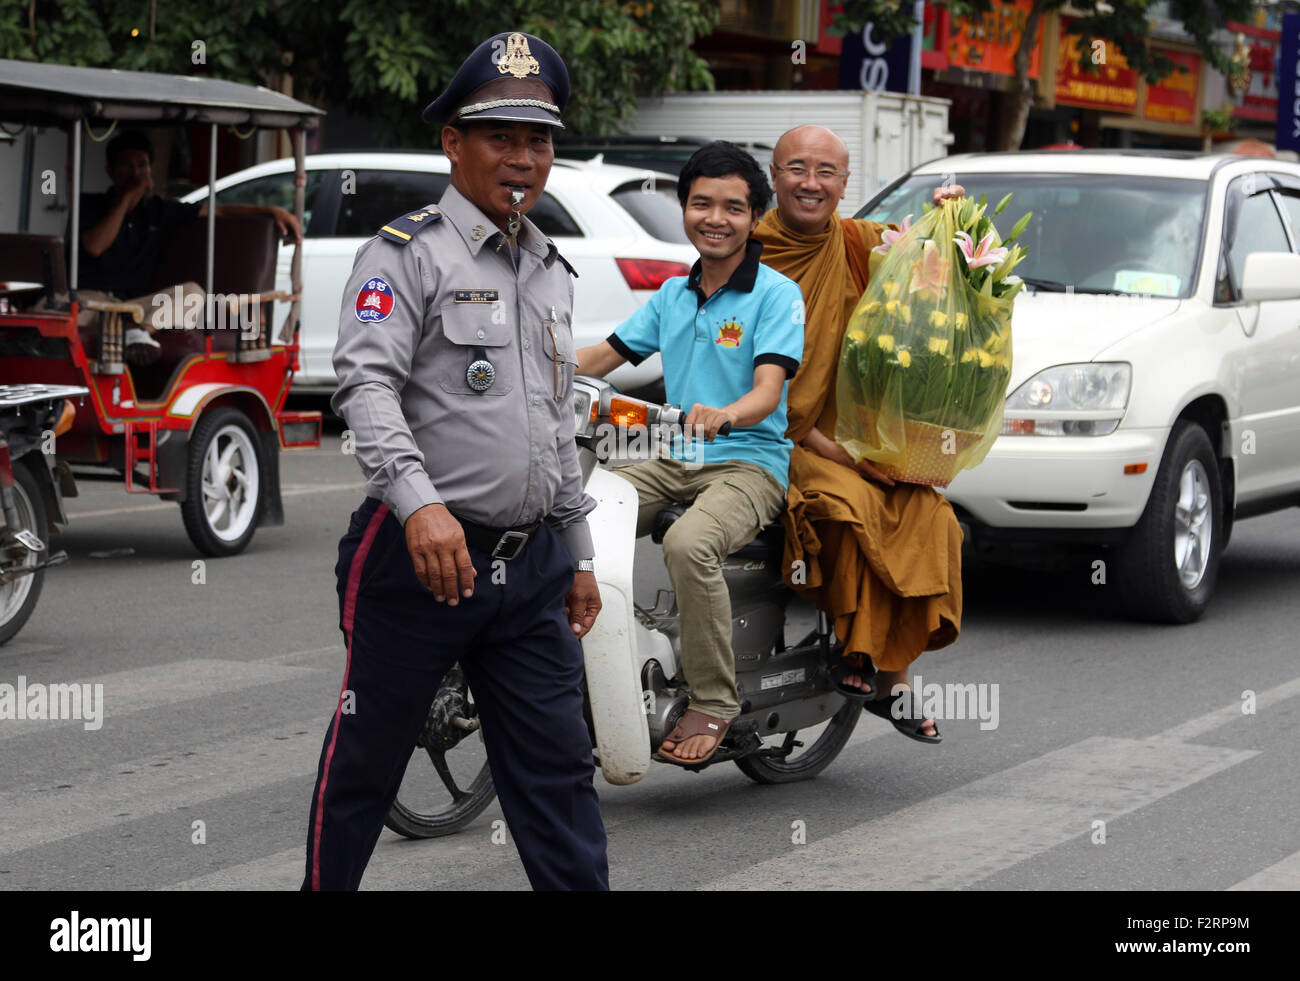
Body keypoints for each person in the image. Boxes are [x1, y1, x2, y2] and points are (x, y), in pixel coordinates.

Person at [302, 30, 608, 890]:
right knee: (365, 762)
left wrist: (577, 551)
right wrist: (419, 503)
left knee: (558, 776)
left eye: (538, 140)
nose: (524, 158)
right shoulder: (406, 252)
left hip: (532, 568)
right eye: (501, 138)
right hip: (419, 558)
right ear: (454, 144)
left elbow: (555, 422)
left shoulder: (550, 268)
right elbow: (365, 387)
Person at [576, 142, 804, 765]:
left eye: (733, 207)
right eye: (702, 203)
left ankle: (713, 699)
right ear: (684, 209)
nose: (716, 218)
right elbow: (604, 357)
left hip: (749, 461)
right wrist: (536, 375)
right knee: (576, 521)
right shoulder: (675, 296)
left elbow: (766, 391)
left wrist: (726, 414)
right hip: (670, 452)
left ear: (755, 216)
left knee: (688, 544)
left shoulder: (778, 295)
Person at [752, 124, 964, 743]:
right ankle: (863, 658)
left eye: (826, 172)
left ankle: (891, 675)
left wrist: (948, 228)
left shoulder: (858, 244)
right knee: (846, 507)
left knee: (926, 510)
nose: (810, 183)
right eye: (797, 169)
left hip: (857, 438)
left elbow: (935, 281)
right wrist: (837, 452)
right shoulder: (751, 250)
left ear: (846, 184)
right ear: (775, 175)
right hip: (782, 436)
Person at [74, 129, 301, 362]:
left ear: (150, 171)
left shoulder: (161, 210)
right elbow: (95, 246)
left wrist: (271, 211)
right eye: (126, 165)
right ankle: (129, 335)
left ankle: (138, 333)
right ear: (110, 171)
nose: (135, 173)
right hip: (92, 302)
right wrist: (126, 198)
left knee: (193, 293)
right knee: (54, 313)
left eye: (141, 165)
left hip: (135, 308)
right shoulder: (89, 204)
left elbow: (219, 210)